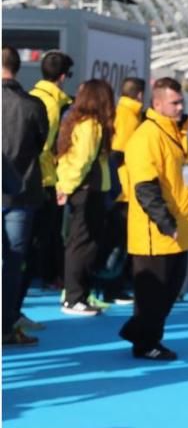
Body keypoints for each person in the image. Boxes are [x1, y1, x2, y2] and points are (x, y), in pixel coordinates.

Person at [118, 77, 188, 361]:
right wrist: (165, 222)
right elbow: (145, 186)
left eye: (181, 102)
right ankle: (144, 340)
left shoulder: (179, 133)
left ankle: (142, 334)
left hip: (181, 225)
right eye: (174, 102)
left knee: (168, 291)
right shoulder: (146, 136)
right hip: (157, 232)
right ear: (157, 103)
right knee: (153, 293)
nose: (180, 108)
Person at [54, 79, 116, 316]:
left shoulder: (76, 121)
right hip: (86, 190)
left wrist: (65, 186)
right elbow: (82, 160)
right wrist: (67, 188)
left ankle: (77, 294)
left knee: (81, 242)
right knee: (82, 244)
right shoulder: (91, 125)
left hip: (82, 188)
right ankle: (73, 297)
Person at [2, 46, 49, 344]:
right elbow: (42, 142)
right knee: (12, 262)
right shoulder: (33, 105)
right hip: (20, 190)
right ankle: (6, 325)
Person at [26, 51, 74, 294]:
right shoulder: (54, 105)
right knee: (46, 233)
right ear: (63, 77)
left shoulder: (31, 95)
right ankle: (49, 276)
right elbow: (47, 145)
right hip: (45, 177)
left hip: (26, 175)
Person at [101, 76, 146, 306]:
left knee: (116, 240)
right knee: (118, 241)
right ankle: (112, 287)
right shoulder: (130, 116)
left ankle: (111, 286)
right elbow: (118, 152)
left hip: (120, 186)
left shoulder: (123, 112)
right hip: (124, 188)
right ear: (140, 94)